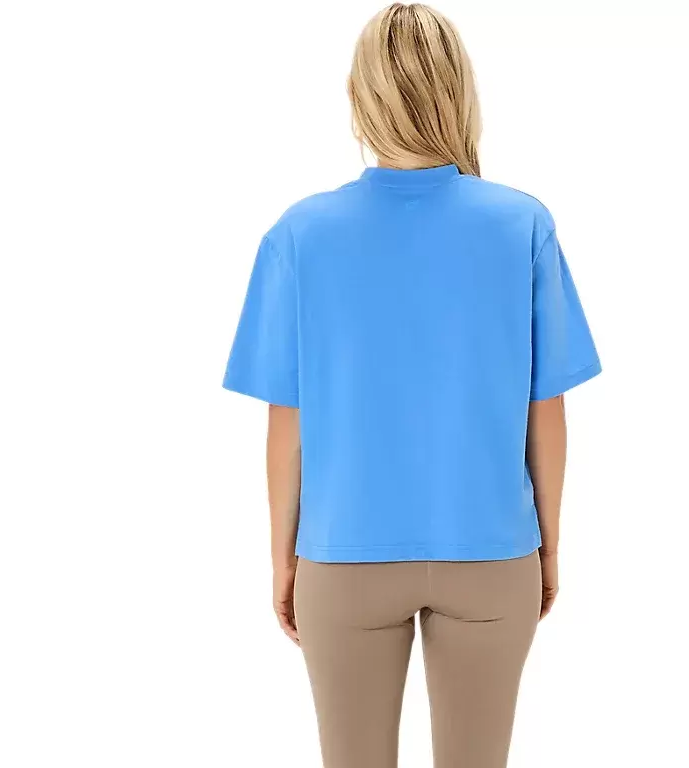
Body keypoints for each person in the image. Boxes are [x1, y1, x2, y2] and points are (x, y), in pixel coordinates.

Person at [223, 4, 600, 766]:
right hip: (492, 554)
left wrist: (284, 558)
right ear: (458, 90)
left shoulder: (300, 234)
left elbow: (286, 426)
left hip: (344, 557)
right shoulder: (522, 225)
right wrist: (548, 548)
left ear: (359, 95)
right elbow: (547, 412)